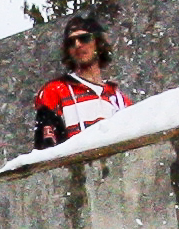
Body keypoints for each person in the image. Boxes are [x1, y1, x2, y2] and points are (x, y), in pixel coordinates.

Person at [29, 17, 130, 153]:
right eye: (71, 42)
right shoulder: (55, 91)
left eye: (84, 38)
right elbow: (45, 153)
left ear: (98, 43)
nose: (77, 45)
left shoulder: (119, 99)